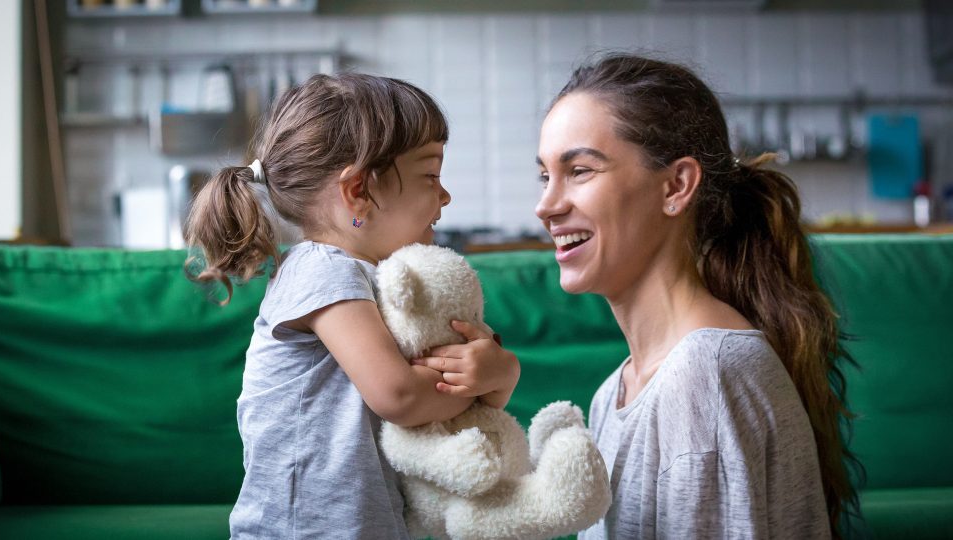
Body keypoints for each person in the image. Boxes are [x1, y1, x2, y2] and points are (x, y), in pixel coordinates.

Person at [533, 53, 859, 539]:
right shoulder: (615, 393)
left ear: (676, 186)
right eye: (544, 176)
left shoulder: (705, 375)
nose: (546, 206)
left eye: (579, 170)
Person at [184, 73, 520, 539]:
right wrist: (492, 377)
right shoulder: (321, 269)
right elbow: (400, 396)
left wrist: (490, 375)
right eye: (430, 175)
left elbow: (441, 403)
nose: (445, 196)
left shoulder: (379, 281)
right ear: (358, 190)